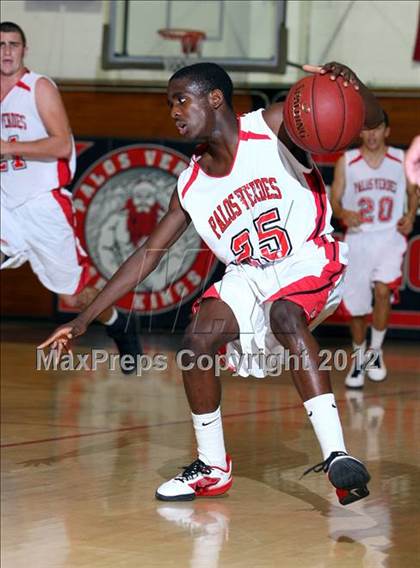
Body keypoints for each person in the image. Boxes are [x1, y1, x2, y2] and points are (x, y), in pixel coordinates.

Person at [39, 60, 386, 506]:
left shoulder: (277, 123)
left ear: (215, 98)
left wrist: (353, 89)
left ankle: (338, 457)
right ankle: (212, 467)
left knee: (284, 312)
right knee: (196, 340)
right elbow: (146, 256)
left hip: (305, 257)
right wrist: (83, 320)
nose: (174, 112)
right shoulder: (191, 184)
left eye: (181, 100)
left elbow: (370, 121)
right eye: (170, 104)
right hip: (249, 273)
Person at [0, 21, 142, 373]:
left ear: (24, 50)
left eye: (13, 45)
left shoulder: (39, 87)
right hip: (5, 203)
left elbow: (62, 144)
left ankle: (119, 324)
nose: (6, 51)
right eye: (0, 44)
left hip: (42, 204)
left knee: (76, 294)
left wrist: (8, 147)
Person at [331, 113, 418, 389]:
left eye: (377, 129)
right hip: (358, 239)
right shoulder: (347, 161)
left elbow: (413, 192)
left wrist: (411, 215)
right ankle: (359, 356)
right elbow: (334, 197)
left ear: (387, 130)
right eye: (366, 129)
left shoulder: (400, 159)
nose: (371, 135)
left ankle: (376, 351)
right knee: (356, 307)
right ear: (360, 133)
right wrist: (343, 211)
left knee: (383, 290)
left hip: (389, 236)